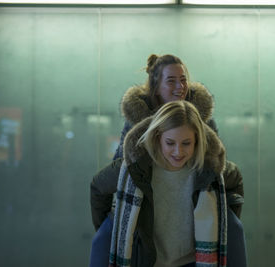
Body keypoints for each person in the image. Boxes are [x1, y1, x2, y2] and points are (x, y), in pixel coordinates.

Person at [89, 54, 246, 266]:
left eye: (183, 80)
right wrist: (117, 226)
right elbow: (117, 175)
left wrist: (222, 219)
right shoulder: (136, 132)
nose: (180, 86)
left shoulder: (202, 121)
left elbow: (220, 169)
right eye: (171, 80)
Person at [110, 100, 227, 266]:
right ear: (158, 138)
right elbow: (97, 187)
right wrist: (106, 225)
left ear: (197, 140)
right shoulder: (139, 169)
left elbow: (236, 185)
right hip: (148, 262)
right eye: (170, 143)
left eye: (186, 143)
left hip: (193, 262)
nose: (178, 152)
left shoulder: (206, 171)